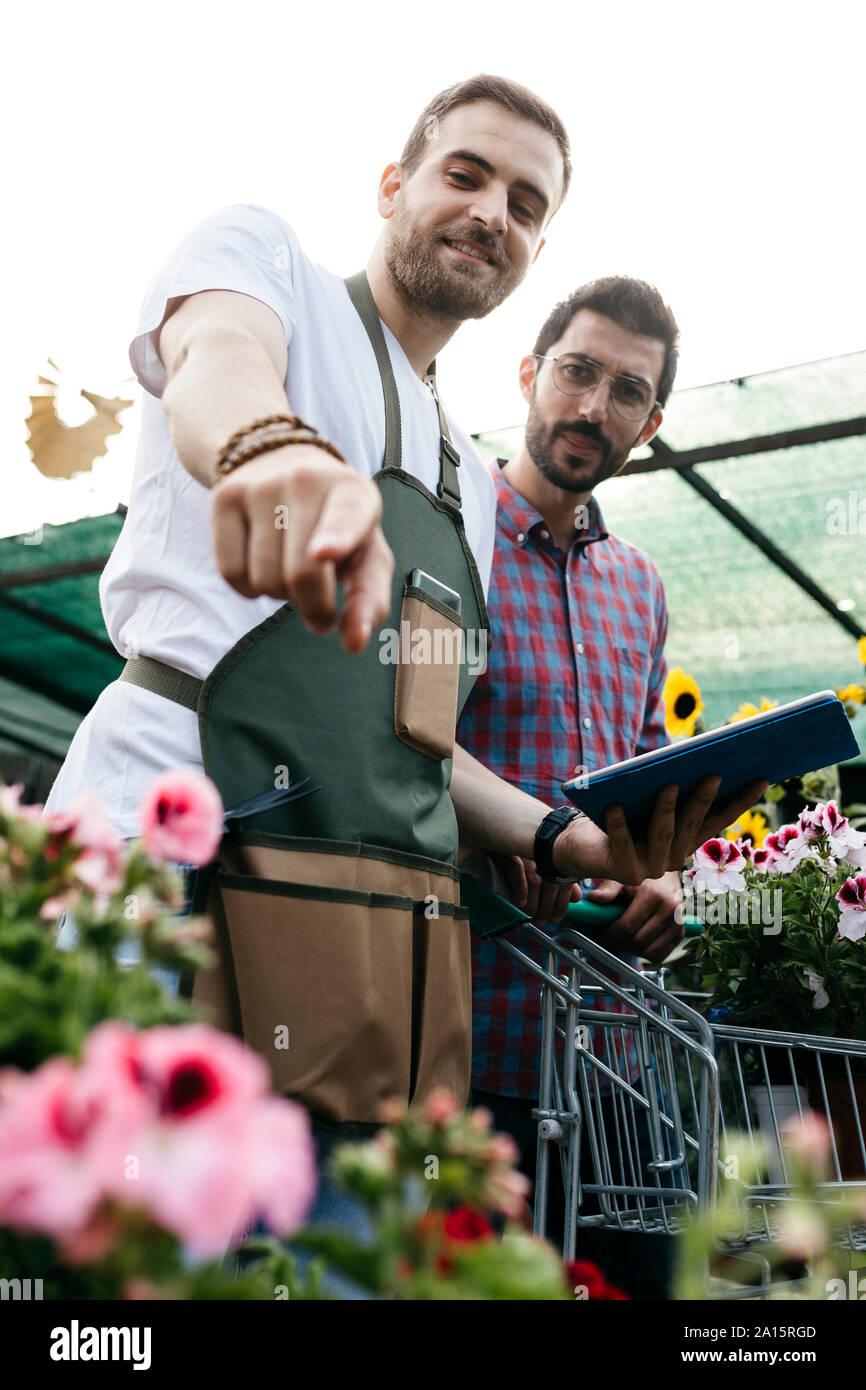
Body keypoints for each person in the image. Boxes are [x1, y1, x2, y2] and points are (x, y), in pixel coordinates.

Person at [44, 73, 760, 1214]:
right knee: (129, 1259)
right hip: (166, 855)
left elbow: (419, 735)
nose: (492, 212)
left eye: (525, 203)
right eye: (464, 174)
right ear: (394, 184)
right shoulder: (264, 263)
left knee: (315, 1263)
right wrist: (268, 448)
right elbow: (215, 363)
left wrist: (570, 841)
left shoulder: (465, 480)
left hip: (355, 935)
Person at [459, 276, 709, 1298]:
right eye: (576, 371)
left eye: (624, 390)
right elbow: (395, 745)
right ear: (528, 372)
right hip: (469, 1037)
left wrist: (667, 879)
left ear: (648, 423)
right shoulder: (450, 537)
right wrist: (485, 840)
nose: (591, 406)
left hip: (615, 1054)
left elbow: (651, 778)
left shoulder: (639, 586)